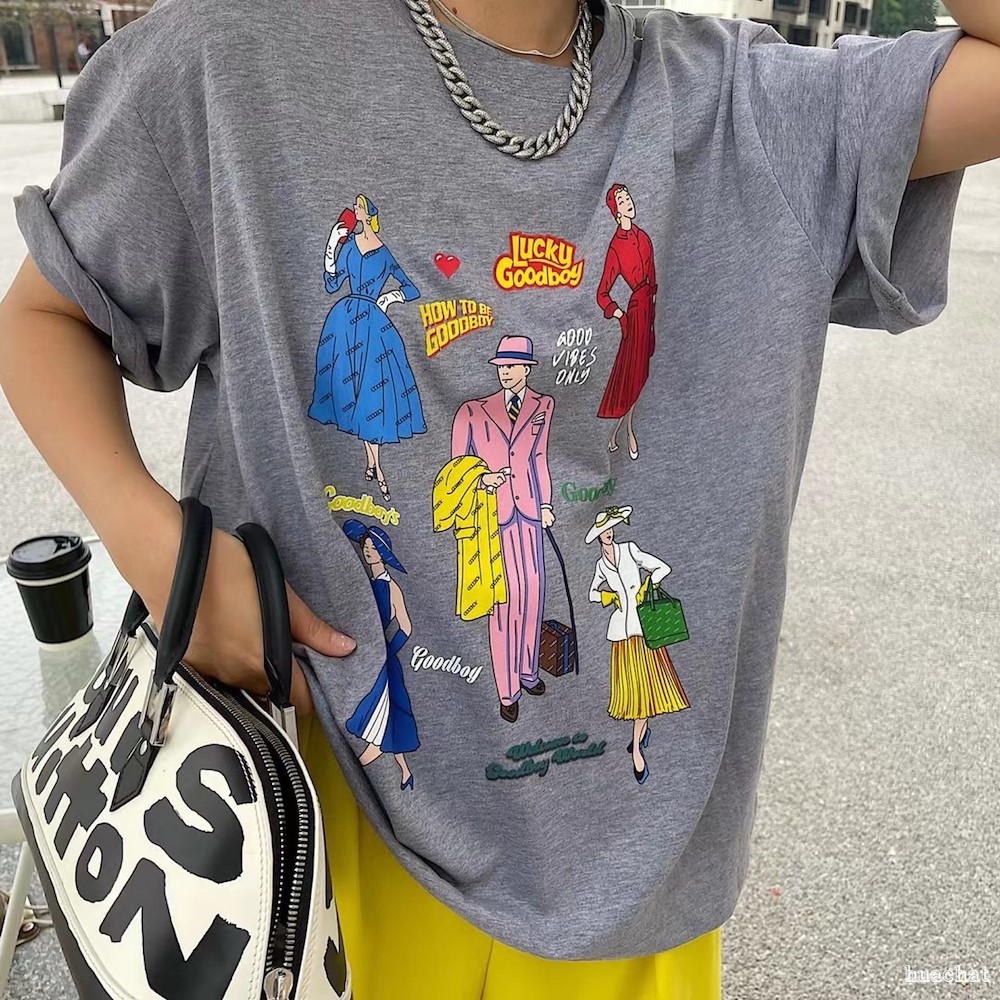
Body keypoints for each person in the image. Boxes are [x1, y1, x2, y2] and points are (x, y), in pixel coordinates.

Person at [0, 0, 995, 997]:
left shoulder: (753, 106)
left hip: (633, 882)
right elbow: (45, 314)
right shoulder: (230, 63)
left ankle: (539, 689)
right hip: (319, 836)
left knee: (548, 620)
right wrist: (156, 544)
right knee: (491, 587)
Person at [449, 335, 555, 724]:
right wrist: (483, 480)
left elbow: (539, 457)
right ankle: (507, 690)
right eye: (501, 366)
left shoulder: (543, 405)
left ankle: (528, 671)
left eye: (512, 365)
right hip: (491, 517)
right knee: (504, 601)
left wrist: (546, 504)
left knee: (533, 591)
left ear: (526, 368)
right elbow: (455, 470)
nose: (505, 372)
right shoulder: (472, 411)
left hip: (529, 512)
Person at [308, 193, 426, 502]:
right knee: (353, 391)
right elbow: (332, 283)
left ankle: (376, 465)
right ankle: (374, 464)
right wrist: (332, 246)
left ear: (369, 213)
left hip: (373, 323)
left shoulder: (385, 254)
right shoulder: (349, 246)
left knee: (372, 392)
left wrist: (388, 298)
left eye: (359, 207)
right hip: (345, 323)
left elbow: (411, 288)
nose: (354, 210)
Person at [586, 506, 690, 785]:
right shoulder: (601, 566)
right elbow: (592, 593)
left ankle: (636, 751)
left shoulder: (630, 550)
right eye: (604, 531)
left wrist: (647, 586)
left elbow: (662, 567)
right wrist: (608, 597)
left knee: (645, 691)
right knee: (635, 693)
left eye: (611, 529)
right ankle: (639, 737)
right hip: (621, 634)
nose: (608, 534)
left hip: (643, 628)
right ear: (598, 537)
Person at [342, 519, 419, 791]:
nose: (368, 551)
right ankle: (405, 772)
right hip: (361, 658)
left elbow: (406, 626)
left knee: (385, 716)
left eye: (374, 548)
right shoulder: (362, 580)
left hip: (383, 660)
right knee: (384, 718)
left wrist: (387, 651)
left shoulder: (391, 587)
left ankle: (363, 769)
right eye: (365, 546)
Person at [596, 183, 656, 459]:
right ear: (615, 210)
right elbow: (602, 293)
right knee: (632, 378)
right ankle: (628, 431)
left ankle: (616, 433)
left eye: (628, 196)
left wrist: (653, 316)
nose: (629, 201)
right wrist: (619, 314)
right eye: (622, 200)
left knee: (641, 375)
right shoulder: (616, 247)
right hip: (634, 315)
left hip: (649, 310)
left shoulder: (644, 237)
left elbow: (653, 277)